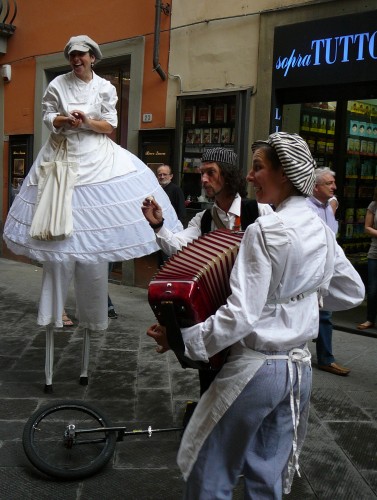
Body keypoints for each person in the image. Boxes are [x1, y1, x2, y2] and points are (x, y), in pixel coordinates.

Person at [147, 132, 365, 498]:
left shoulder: (264, 228)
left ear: (284, 174)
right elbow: (351, 291)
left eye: (258, 168)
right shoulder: (320, 227)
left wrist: (182, 342)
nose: (250, 176)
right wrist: (298, 300)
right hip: (299, 370)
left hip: (256, 369)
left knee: (210, 468)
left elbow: (240, 315)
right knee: (266, 475)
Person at [3, 35, 181, 392]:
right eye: (71, 56)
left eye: (80, 55)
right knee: (57, 247)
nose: (75, 60)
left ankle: (90, 333)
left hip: (98, 162)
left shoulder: (104, 88)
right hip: (61, 162)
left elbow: (109, 126)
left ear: (92, 58)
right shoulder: (57, 83)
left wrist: (85, 121)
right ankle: (53, 327)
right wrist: (62, 120)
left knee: (94, 247)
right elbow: (47, 116)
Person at [143, 147, 273, 396]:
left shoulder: (259, 212)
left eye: (210, 172)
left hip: (253, 313)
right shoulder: (203, 219)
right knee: (210, 379)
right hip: (216, 310)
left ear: (229, 175)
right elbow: (179, 246)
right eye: (202, 173)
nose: (203, 179)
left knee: (245, 383)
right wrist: (158, 225)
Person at [306, 167, 350, 376]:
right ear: (315, 187)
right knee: (315, 312)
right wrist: (331, 208)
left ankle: (325, 357)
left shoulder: (327, 205)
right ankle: (320, 357)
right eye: (329, 183)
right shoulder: (308, 207)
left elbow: (332, 234)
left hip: (326, 267)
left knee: (325, 313)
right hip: (311, 269)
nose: (334, 187)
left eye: (333, 183)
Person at [357, 186, 377, 330]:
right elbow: (367, 227)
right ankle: (370, 319)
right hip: (375, 252)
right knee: (373, 288)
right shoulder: (374, 205)